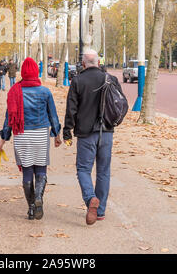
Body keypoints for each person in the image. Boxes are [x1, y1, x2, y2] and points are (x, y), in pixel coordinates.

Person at [0, 57, 62, 220]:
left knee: (27, 171)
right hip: (40, 134)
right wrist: (56, 134)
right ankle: (39, 198)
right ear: (36, 72)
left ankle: (32, 208)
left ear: (24, 72)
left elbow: (9, 118)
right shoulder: (45, 92)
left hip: (22, 135)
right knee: (40, 169)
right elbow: (53, 115)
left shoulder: (15, 91)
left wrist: (4, 138)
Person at [63, 49, 121, 225]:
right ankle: (100, 211)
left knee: (83, 169)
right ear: (98, 62)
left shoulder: (78, 81)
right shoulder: (111, 79)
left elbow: (71, 109)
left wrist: (67, 131)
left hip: (86, 133)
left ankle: (90, 199)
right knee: (103, 171)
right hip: (107, 131)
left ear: (83, 64)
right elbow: (119, 103)